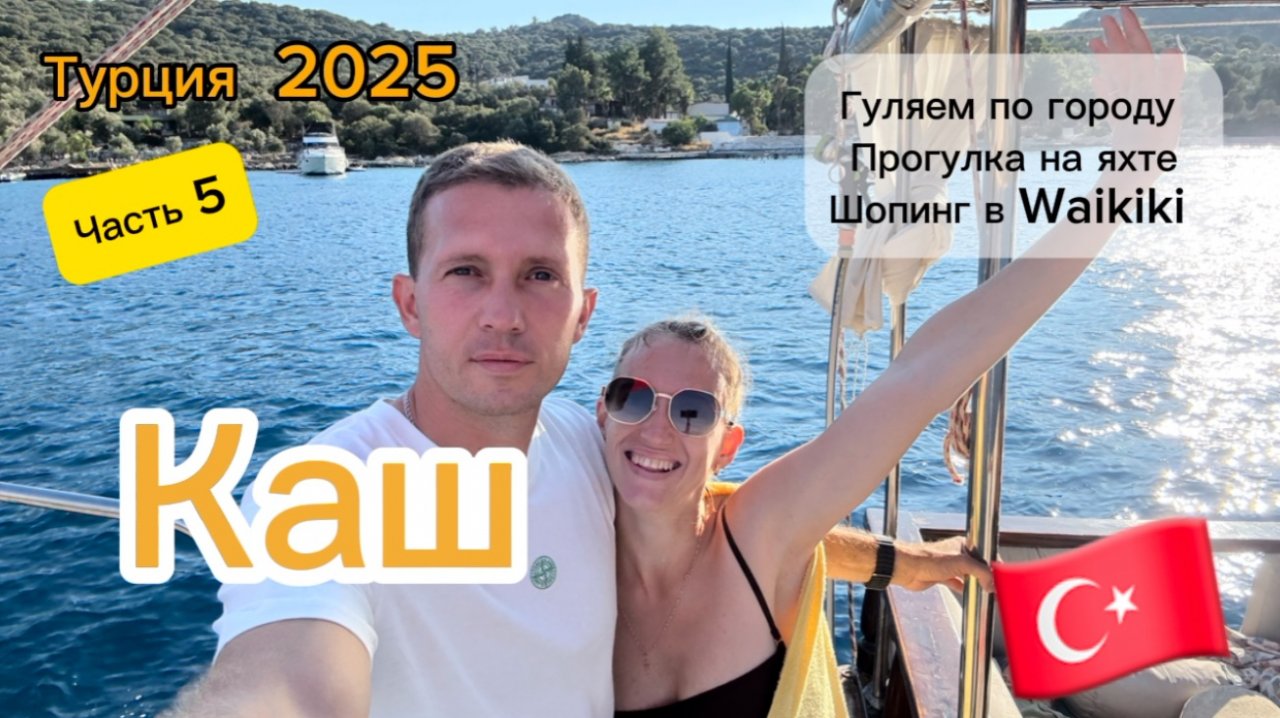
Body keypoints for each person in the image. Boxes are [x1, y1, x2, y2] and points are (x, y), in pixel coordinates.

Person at [161, 141, 987, 717]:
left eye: (539, 275)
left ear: (582, 313)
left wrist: (913, 566)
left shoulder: (589, 446)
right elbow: (283, 684)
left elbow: (734, 528)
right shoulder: (328, 489)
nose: (503, 313)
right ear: (410, 303)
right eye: (465, 271)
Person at [602, 8, 1182, 715]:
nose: (656, 428)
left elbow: (925, 371)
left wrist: (1128, 173)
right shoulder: (560, 531)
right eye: (633, 396)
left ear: (728, 446)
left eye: (693, 411)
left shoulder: (757, 532)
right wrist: (910, 564)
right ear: (601, 412)